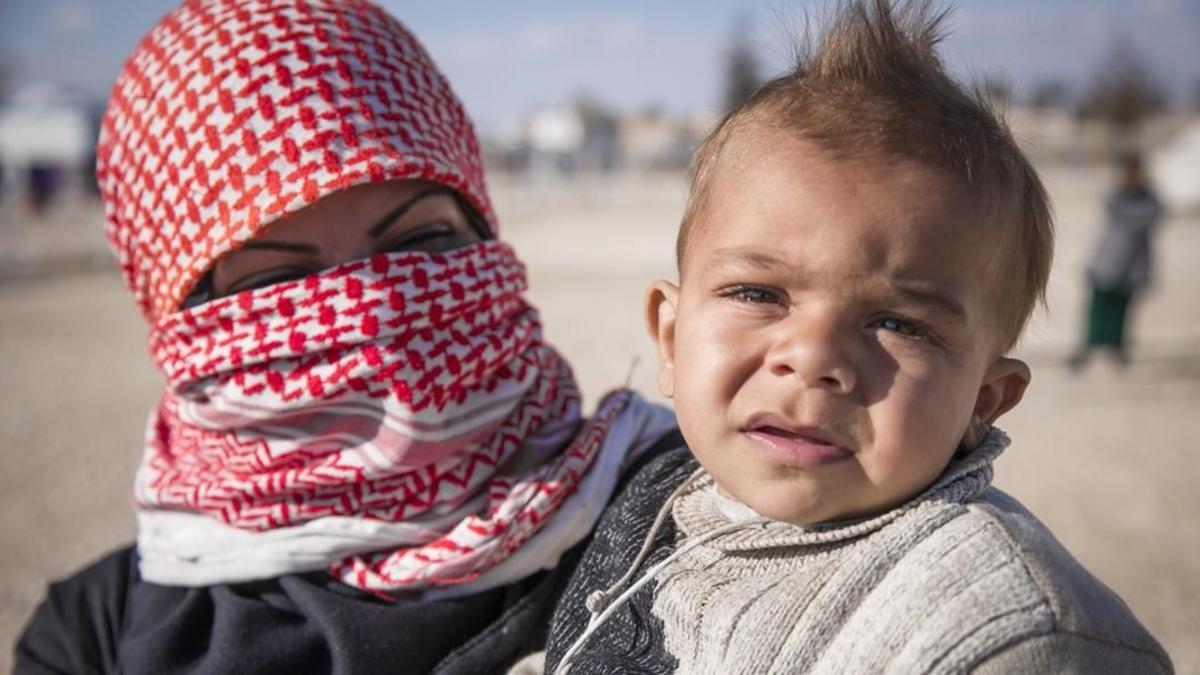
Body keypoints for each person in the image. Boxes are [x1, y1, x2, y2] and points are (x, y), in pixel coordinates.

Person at [14, 1, 675, 673]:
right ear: (176, 315)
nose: (372, 311)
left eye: (421, 240)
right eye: (277, 282)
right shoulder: (93, 637)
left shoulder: (671, 518)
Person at [541, 2, 1173, 673]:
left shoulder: (1002, 631)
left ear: (985, 400)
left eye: (898, 323)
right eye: (759, 294)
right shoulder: (647, 495)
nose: (814, 358)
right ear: (670, 340)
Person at [1068, 153, 1163, 370]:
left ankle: (1117, 350)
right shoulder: (1117, 198)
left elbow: (1154, 213)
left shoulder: (1148, 199)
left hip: (1132, 268)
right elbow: (1126, 215)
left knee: (1122, 311)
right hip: (1107, 264)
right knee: (1097, 310)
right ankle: (1087, 350)